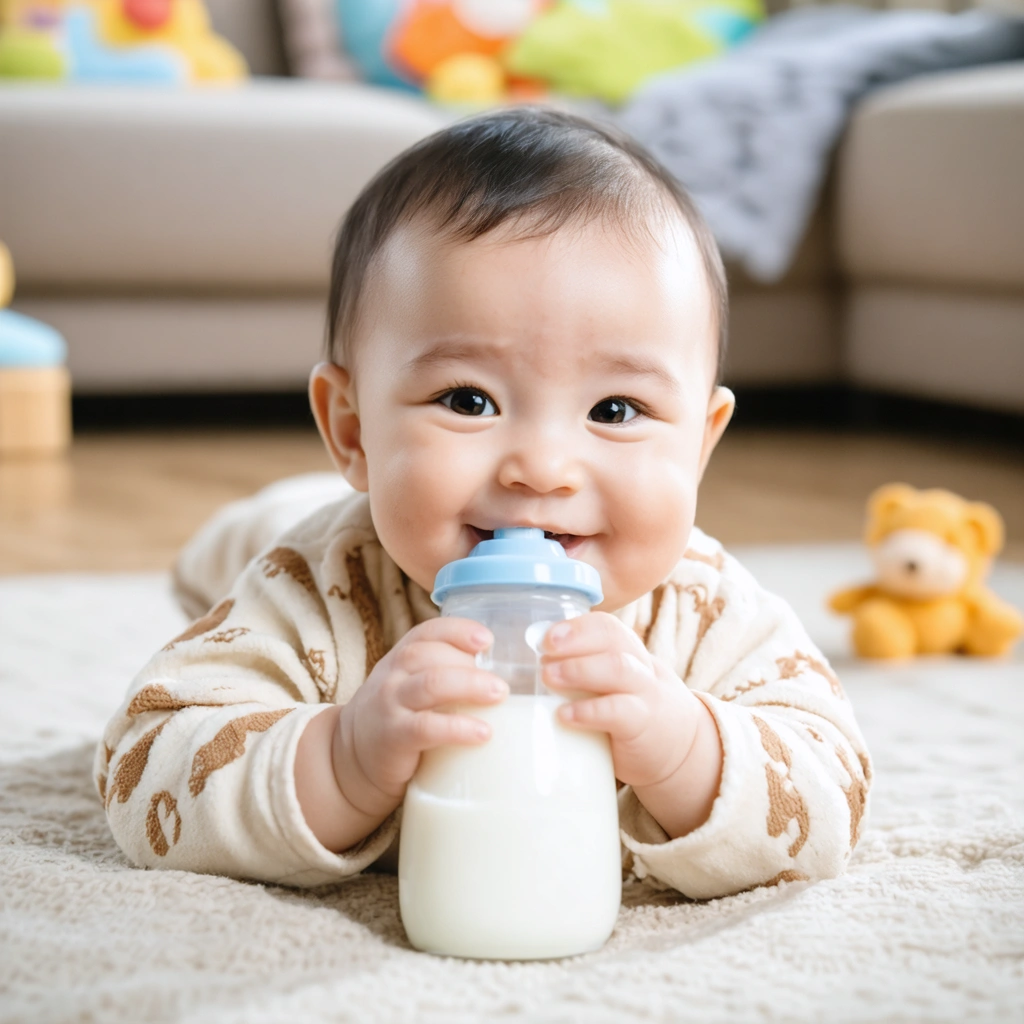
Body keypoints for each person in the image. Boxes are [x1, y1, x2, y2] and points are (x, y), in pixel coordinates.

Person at [97, 108, 871, 898]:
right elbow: (145, 766)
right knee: (250, 544)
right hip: (304, 535)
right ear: (353, 430)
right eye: (468, 399)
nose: (541, 469)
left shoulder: (709, 611)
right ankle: (237, 538)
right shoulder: (316, 587)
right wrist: (340, 756)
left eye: (614, 410)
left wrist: (684, 747)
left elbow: (830, 790)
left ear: (700, 446)